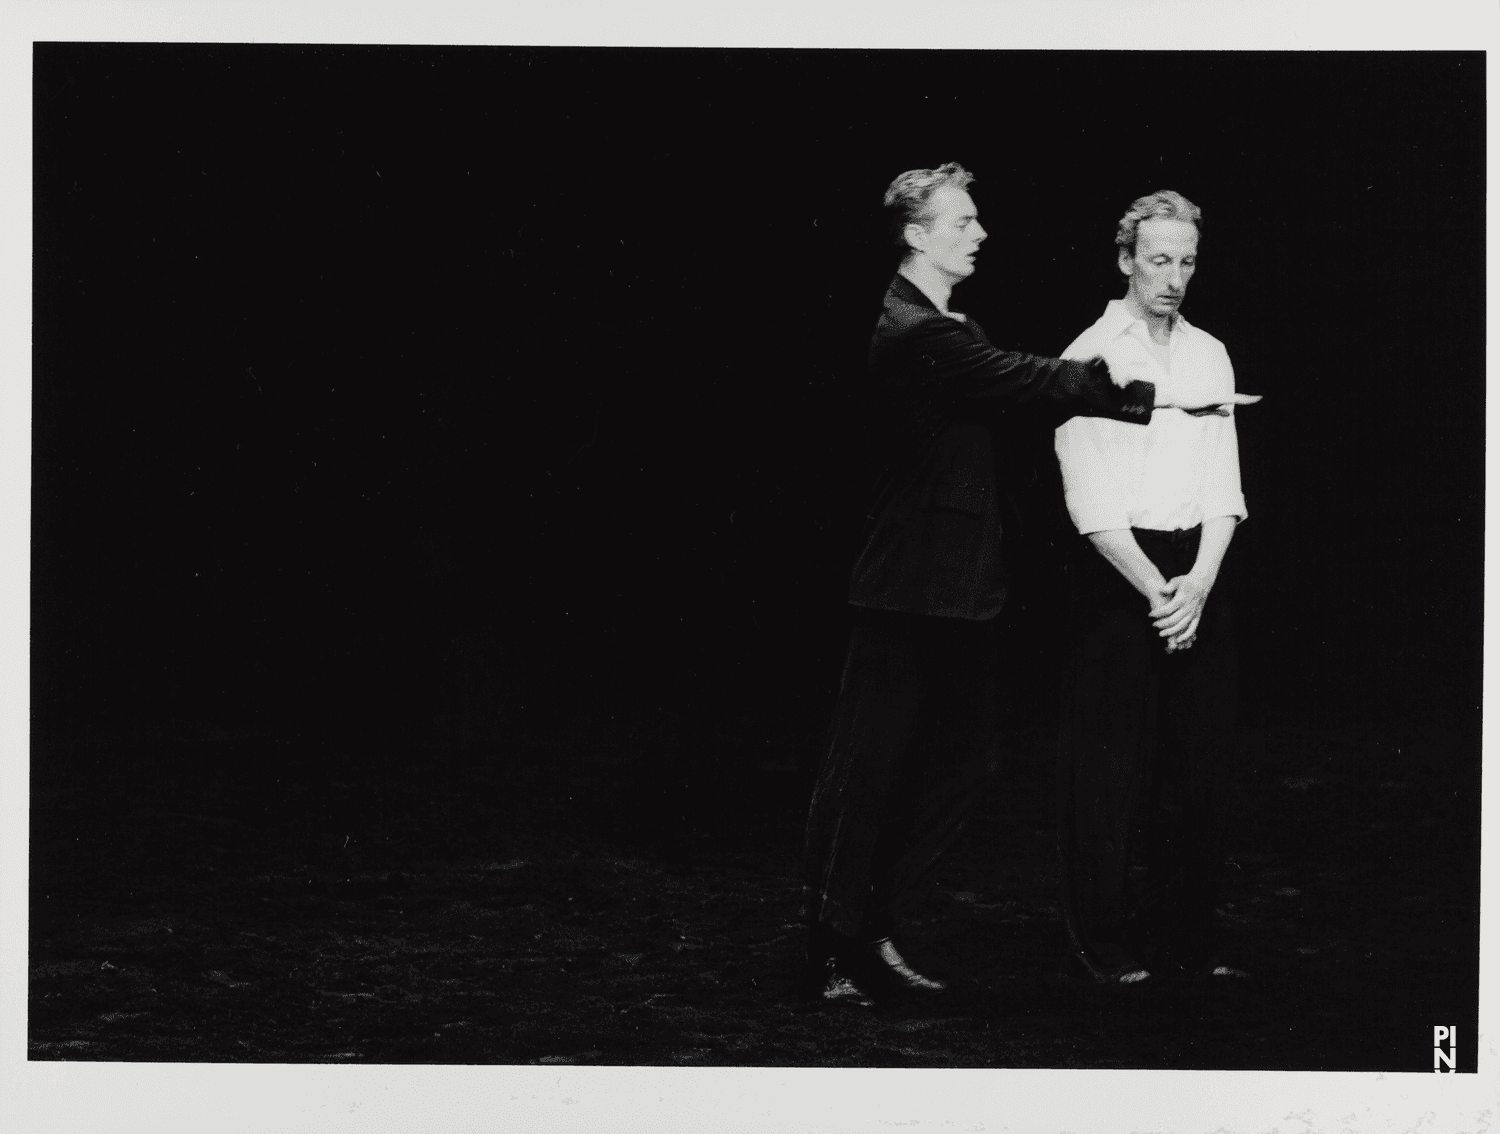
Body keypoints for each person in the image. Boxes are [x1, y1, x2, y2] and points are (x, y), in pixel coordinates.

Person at [801, 164, 1197, 1005]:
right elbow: (1023, 380)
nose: (979, 234)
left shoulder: (951, 323)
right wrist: (1134, 393)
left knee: (963, 763)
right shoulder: (916, 331)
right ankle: (837, 951)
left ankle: (872, 923)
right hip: (907, 587)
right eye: (963, 221)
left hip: (957, 585)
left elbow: (1006, 403)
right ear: (918, 234)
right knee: (868, 768)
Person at [1053, 189, 1251, 985]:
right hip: (1120, 579)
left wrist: (1198, 584)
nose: (1174, 276)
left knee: (1199, 770)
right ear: (1127, 259)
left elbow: (1224, 488)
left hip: (1196, 576)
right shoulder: (1093, 352)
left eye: (1187, 261)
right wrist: (1157, 594)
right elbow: (1089, 501)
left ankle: (1186, 942)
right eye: (1159, 259)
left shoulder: (1210, 353)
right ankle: (1100, 943)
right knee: (1111, 771)